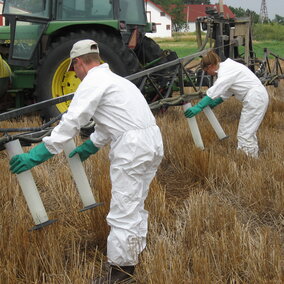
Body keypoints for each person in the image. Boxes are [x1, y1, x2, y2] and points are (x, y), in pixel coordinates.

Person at [9, 39, 164, 282]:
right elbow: (113, 121)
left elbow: (72, 121)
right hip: (151, 142)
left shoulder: (93, 81)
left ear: (78, 62)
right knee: (135, 202)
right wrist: (92, 145)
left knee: (122, 210)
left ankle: (120, 272)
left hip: (133, 148)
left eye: (74, 70)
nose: (76, 75)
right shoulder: (116, 81)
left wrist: (40, 153)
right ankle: (133, 253)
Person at [184, 50, 269, 158]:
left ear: (210, 66)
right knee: (248, 131)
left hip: (255, 98)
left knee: (245, 133)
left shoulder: (226, 72)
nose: (207, 73)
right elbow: (228, 90)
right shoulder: (228, 67)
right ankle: (252, 158)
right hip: (256, 96)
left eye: (206, 71)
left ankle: (246, 159)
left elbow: (214, 92)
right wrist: (215, 102)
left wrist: (198, 107)